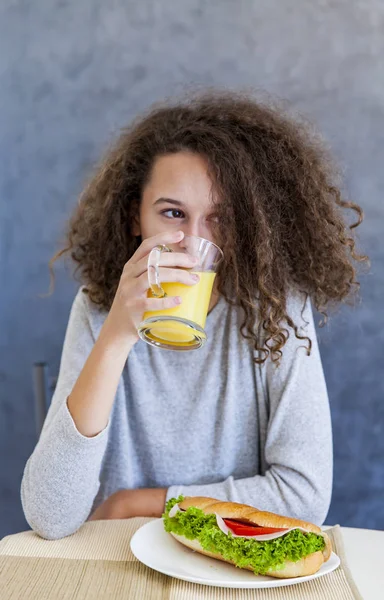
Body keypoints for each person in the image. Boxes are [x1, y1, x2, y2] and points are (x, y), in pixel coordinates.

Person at [21, 91, 366, 540]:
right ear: (134, 218)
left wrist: (138, 502)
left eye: (219, 219)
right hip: (120, 560)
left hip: (226, 563)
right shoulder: (98, 307)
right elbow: (50, 515)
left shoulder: (278, 310)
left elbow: (303, 496)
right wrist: (117, 335)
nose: (191, 241)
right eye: (172, 213)